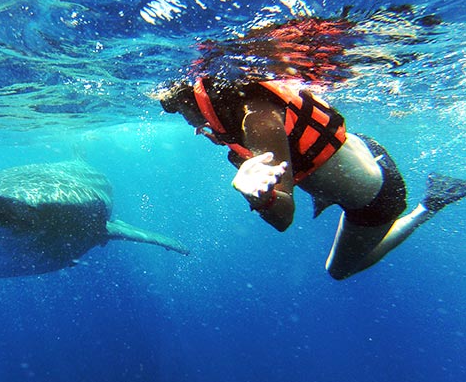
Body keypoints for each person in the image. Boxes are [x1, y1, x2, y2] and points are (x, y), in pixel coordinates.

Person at [157, 18, 466, 280]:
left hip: (377, 198)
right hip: (362, 153)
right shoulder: (245, 111)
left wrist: (259, 197)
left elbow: (284, 218)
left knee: (339, 270)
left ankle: (431, 204)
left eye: (190, 117)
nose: (196, 128)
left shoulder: (259, 119)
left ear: (199, 100)